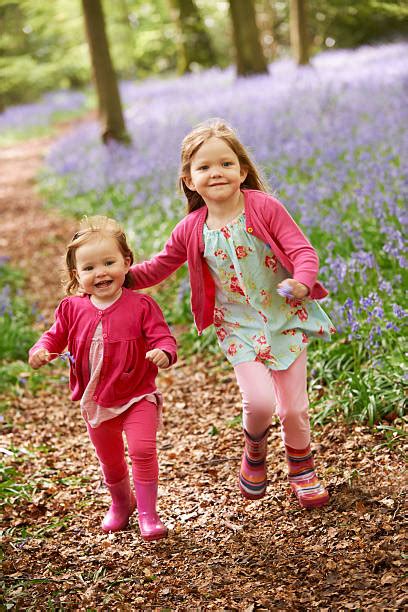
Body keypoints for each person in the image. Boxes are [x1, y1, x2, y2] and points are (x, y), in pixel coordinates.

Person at [128, 118, 336, 509]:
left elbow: (302, 252)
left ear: (242, 170)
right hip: (236, 326)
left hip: (284, 317)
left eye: (225, 163)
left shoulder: (264, 207)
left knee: (293, 408)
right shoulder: (191, 228)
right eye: (203, 167)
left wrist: (304, 281)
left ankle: (301, 467)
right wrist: (118, 279)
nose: (215, 172)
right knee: (259, 403)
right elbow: (157, 267)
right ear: (189, 180)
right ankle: (254, 447)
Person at [28, 216, 177, 540]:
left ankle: (149, 514)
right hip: (96, 400)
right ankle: (122, 503)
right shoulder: (71, 308)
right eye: (90, 268)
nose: (101, 273)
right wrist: (40, 350)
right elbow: (53, 337)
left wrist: (164, 353)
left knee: (142, 450)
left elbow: (163, 338)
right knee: (110, 460)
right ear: (76, 275)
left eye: (109, 263)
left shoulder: (141, 305)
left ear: (126, 263)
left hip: (137, 395)